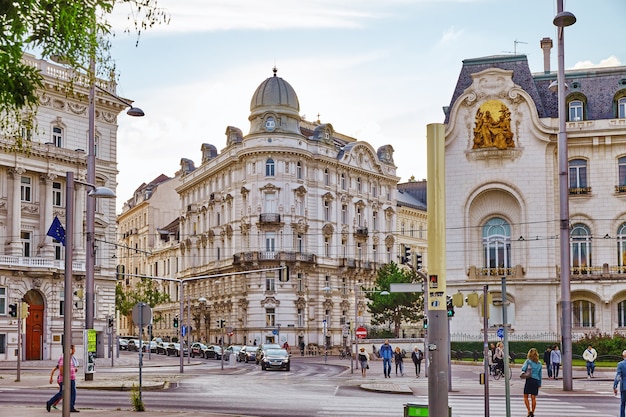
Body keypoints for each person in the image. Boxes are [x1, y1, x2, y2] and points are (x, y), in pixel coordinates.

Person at [46, 344, 79, 413]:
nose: (74, 350)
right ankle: (49, 402)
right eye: (74, 349)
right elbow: (61, 369)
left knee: (72, 392)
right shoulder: (64, 357)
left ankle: (71, 407)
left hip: (71, 379)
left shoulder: (70, 357)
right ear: (70, 350)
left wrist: (73, 370)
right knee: (63, 393)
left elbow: (69, 367)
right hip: (65, 380)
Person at [521, 348, 542, 417]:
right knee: (533, 397)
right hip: (536, 381)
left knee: (525, 396)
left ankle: (528, 411)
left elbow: (523, 369)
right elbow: (540, 374)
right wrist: (539, 383)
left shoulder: (528, 361)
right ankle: (533, 411)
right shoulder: (539, 363)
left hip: (529, 380)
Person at [614, 350, 626, 417]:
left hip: (624, 386)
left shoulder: (620, 364)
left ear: (623, 356)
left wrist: (615, 386)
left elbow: (618, 376)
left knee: (623, 404)